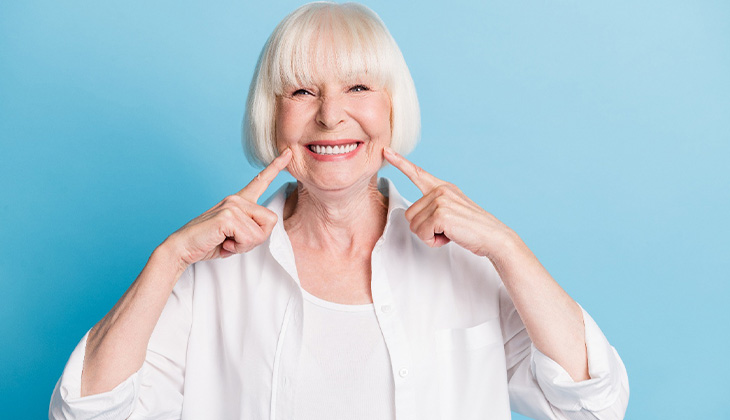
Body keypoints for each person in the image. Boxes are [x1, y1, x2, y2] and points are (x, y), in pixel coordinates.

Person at [49, 2, 629, 419]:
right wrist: (169, 256)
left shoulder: (468, 263)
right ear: (271, 115)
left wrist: (507, 247)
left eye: (357, 88)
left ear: (392, 108)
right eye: (302, 91)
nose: (330, 117)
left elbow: (592, 407)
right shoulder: (205, 279)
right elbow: (85, 413)